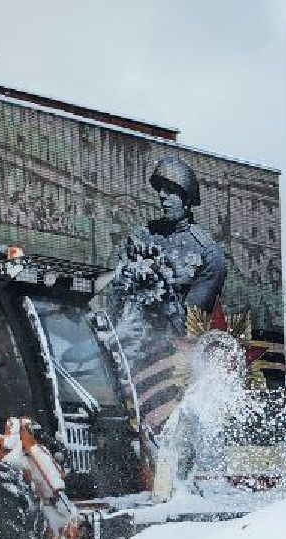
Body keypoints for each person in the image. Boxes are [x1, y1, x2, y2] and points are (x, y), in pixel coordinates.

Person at [107, 158, 231, 427]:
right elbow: (113, 302)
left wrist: (160, 286)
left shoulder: (209, 255)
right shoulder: (141, 238)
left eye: (171, 190)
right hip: (122, 359)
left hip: (165, 369)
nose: (163, 196)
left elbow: (187, 325)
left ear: (187, 198)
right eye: (161, 189)